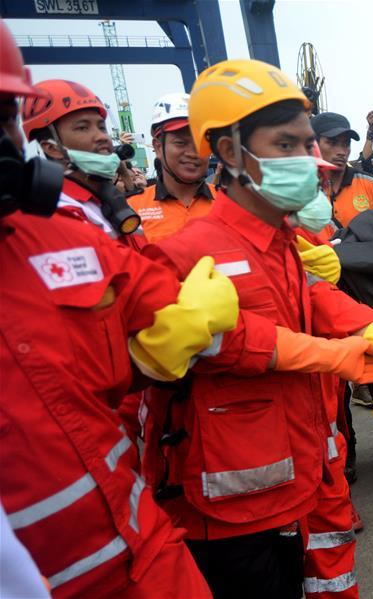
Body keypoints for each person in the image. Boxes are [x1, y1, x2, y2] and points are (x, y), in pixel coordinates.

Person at [140, 59, 373, 597]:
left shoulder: (278, 240)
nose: (309, 161)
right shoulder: (185, 251)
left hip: (292, 477)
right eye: (286, 145)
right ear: (228, 152)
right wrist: (334, 355)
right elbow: (216, 340)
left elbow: (309, 297)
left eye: (306, 144)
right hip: (226, 508)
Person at [0, 22, 235, 596]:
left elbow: (153, 293)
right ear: (47, 143)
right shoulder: (101, 214)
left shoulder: (66, 234)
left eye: (0, 115)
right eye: (84, 127)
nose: (103, 139)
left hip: (142, 543)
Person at [20, 79, 143, 248]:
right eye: (83, 128)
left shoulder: (105, 200)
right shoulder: (55, 213)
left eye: (101, 127)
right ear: (52, 148)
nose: (102, 137)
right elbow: (131, 270)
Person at [127, 92, 214, 243]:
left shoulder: (231, 203)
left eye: (201, 143)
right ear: (158, 147)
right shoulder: (132, 208)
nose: (193, 153)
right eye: (181, 143)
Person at [311, 111, 373, 238]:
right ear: (313, 145)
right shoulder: (296, 190)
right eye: (332, 143)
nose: (342, 151)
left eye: (346, 144)